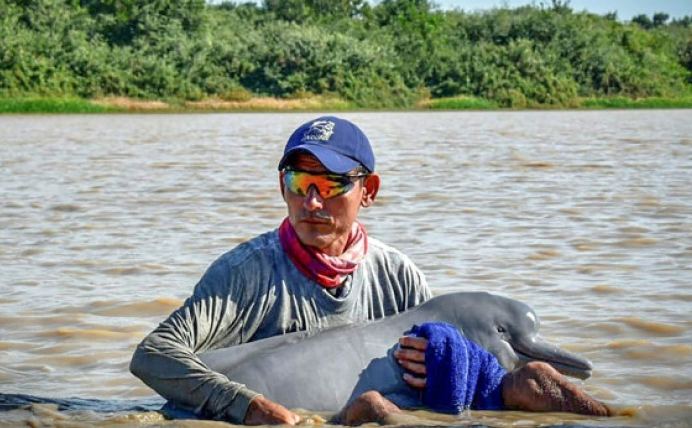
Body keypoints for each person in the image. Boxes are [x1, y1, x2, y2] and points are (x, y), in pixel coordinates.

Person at [130, 116, 610, 425]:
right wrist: (249, 407)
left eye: (331, 183)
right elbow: (153, 357)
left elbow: (441, 379)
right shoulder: (243, 274)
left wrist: (445, 366)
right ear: (282, 186)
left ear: (370, 189)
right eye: (299, 181)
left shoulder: (399, 276)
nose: (311, 201)